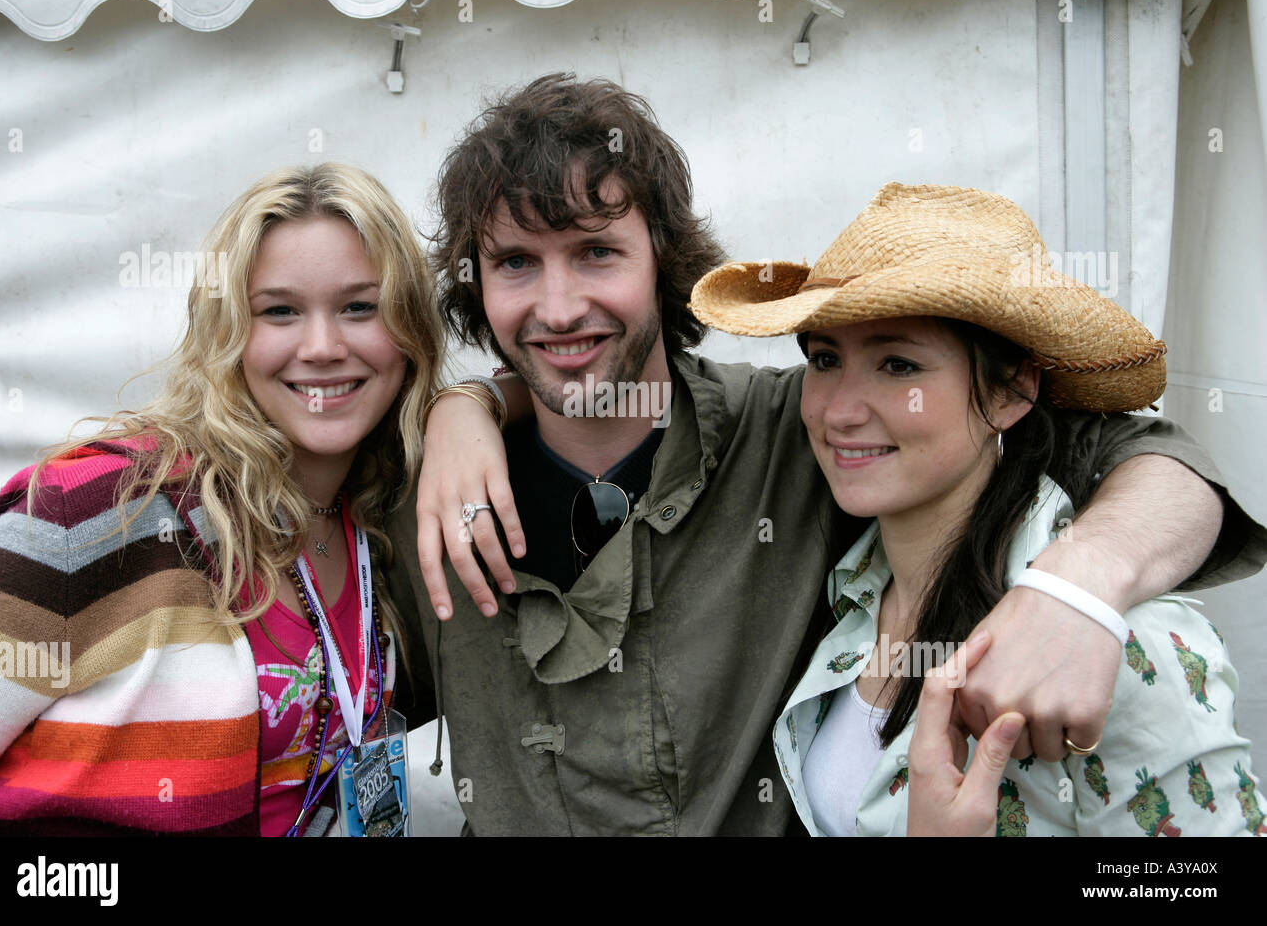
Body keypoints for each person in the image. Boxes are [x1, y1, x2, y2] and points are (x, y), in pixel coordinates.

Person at [394, 73, 1266, 835]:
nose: (557, 306)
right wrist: (461, 405)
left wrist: (1082, 586)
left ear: (663, 260)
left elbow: (1143, 450)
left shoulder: (787, 435)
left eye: (595, 252)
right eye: (514, 263)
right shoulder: (412, 492)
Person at [690, 181, 1266, 836]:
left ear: (1012, 390)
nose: (838, 411)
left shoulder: (1115, 640)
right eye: (825, 358)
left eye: (899, 365)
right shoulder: (851, 592)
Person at [0, 163, 441, 835]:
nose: (324, 347)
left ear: (411, 331)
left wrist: (479, 405)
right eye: (280, 311)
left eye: (360, 307)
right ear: (227, 333)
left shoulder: (381, 522)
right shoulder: (96, 512)